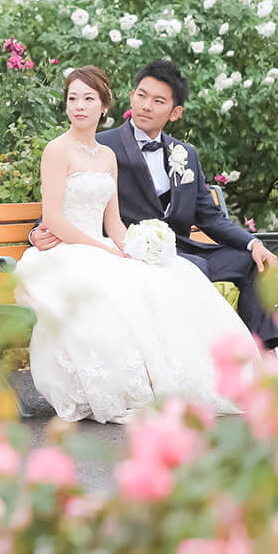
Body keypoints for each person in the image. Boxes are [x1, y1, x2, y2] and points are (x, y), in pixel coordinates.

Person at [14, 65, 257, 423]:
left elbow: (113, 223)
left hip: (98, 244)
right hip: (63, 252)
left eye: (88, 99)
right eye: (72, 99)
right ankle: (118, 386)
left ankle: (184, 379)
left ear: (104, 106)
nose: (79, 106)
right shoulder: (56, 150)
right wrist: (102, 251)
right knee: (111, 286)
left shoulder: (107, 156)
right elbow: (53, 219)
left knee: (171, 275)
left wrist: (135, 249)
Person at [30, 59, 278, 349]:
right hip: (139, 254)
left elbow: (211, 217)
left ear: (175, 112)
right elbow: (70, 203)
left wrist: (253, 244)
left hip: (185, 250)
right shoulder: (101, 145)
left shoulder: (185, 154)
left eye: (158, 100)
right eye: (141, 95)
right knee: (193, 270)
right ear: (131, 97)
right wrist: (37, 232)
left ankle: (263, 352)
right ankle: (204, 356)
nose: (146, 106)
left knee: (252, 262)